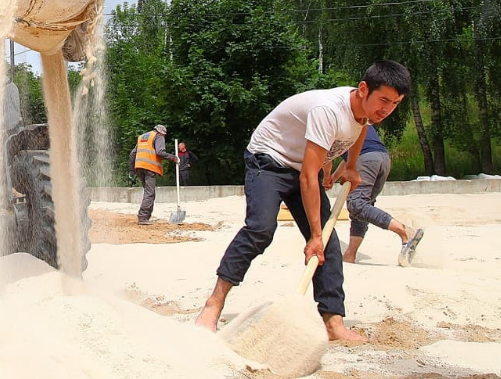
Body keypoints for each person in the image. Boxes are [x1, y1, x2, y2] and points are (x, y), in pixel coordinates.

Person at [194, 60, 411, 342]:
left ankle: (333, 322)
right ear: (363, 90)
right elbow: (309, 177)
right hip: (268, 159)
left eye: (395, 103)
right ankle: (213, 304)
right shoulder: (329, 110)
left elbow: (360, 128)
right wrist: (314, 236)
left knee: (330, 245)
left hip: (299, 165)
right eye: (383, 100)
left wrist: (351, 166)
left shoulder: (365, 111)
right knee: (261, 229)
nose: (387, 109)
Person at [325, 125, 424, 264]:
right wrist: (334, 178)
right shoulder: (355, 115)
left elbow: (326, 158)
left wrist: (326, 177)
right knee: (362, 208)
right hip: (382, 158)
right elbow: (348, 158)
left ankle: (404, 232)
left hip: (365, 159)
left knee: (357, 204)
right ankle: (350, 254)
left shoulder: (328, 119)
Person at [129, 124, 177, 225]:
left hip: (139, 166)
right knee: (149, 193)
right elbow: (160, 152)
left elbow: (132, 154)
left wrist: (132, 170)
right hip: (149, 167)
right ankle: (143, 217)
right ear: (161, 132)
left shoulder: (142, 137)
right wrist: (173, 157)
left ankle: (146, 217)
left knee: (148, 192)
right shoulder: (158, 136)